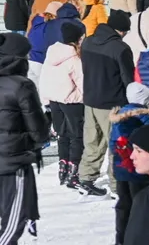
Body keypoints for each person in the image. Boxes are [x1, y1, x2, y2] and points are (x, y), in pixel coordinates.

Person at [0, 32, 47, 245]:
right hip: (12, 159)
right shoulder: (21, 85)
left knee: (10, 214)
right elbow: (36, 126)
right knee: (15, 221)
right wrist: (41, 134)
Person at [77, 9, 135, 197]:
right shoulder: (120, 49)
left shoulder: (87, 41)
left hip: (90, 100)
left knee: (92, 141)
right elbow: (128, 79)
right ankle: (117, 185)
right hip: (112, 104)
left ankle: (85, 177)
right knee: (116, 145)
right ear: (121, 30)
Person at [39, 21, 85, 188]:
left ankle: (63, 165)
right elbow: (83, 84)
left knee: (62, 134)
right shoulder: (74, 58)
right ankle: (74, 168)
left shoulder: (52, 53)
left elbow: (44, 78)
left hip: (54, 100)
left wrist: (46, 100)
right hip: (72, 101)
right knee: (77, 136)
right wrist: (83, 98)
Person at [111, 83, 149, 244]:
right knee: (140, 206)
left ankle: (121, 239)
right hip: (137, 169)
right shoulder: (142, 118)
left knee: (124, 204)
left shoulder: (118, 117)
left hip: (121, 168)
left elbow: (112, 144)